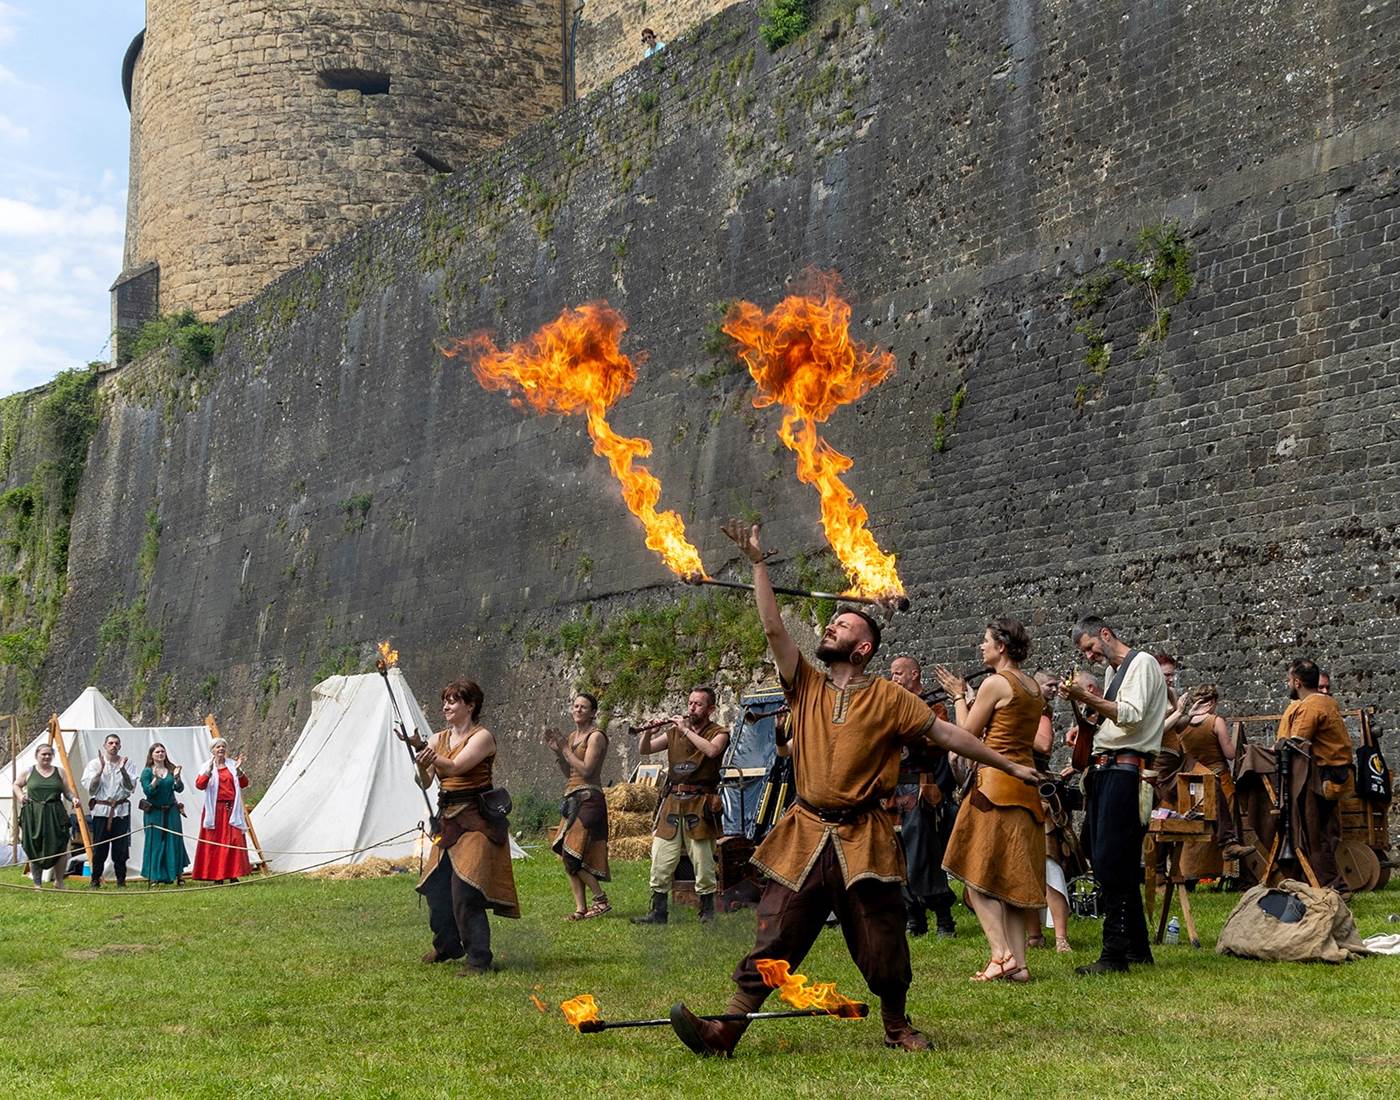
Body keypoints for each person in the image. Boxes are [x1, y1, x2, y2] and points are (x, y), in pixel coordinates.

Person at [670, 520, 1041, 1057]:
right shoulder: (806, 685)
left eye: (841, 625)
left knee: (881, 938)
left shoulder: (892, 698)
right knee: (776, 934)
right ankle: (726, 1029)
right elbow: (775, 631)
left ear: (863, 647)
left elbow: (949, 734)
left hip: (863, 836)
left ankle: (897, 1026)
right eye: (831, 622)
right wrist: (757, 565)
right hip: (804, 832)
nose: (830, 628)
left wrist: (1011, 763)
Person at [936, 619, 1047, 983]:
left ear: (1001, 646)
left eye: (985, 641)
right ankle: (1020, 965)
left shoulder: (995, 683)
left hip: (992, 787)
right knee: (1012, 882)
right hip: (1025, 789)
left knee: (974, 873)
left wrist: (957, 696)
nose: (980, 647)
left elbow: (966, 736)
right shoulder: (1033, 687)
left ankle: (1000, 957)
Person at [1060, 615, 1167, 975]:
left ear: (1105, 634)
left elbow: (1131, 717)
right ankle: (1136, 948)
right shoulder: (1113, 673)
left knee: (1111, 861)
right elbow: (1111, 721)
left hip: (1127, 771)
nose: (1090, 656)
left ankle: (1114, 954)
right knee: (1105, 855)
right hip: (1108, 768)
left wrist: (1082, 696)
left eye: (1091, 647)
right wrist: (1085, 722)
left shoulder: (1143, 663)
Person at [415, 679, 520, 974]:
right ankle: (447, 945)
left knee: (466, 890)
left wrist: (430, 755)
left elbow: (458, 766)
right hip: (448, 821)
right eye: (445, 700)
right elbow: (424, 781)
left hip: (477, 821)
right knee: (435, 888)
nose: (446, 706)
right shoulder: (437, 739)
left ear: (470, 705)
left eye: (453, 701)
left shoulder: (482, 737)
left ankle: (478, 958)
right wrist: (422, 760)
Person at [633, 686, 730, 925]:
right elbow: (644, 749)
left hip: (700, 804)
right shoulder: (674, 733)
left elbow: (711, 750)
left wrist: (686, 731)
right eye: (690, 703)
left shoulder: (719, 732)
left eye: (698, 704)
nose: (692, 708)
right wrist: (649, 732)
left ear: (711, 709)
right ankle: (658, 912)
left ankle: (706, 912)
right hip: (673, 803)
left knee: (703, 861)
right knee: (661, 858)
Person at [887, 655, 957, 939]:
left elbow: (940, 742)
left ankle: (944, 918)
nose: (894, 678)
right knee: (897, 857)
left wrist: (911, 731)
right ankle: (914, 917)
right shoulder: (890, 708)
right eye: (891, 673)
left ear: (914, 675)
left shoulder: (934, 708)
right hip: (892, 792)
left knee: (923, 857)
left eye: (899, 673)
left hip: (920, 788)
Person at [1275, 658, 1353, 889]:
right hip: (1330, 773)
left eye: (1290, 679)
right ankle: (1311, 881)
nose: (1289, 683)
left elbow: (1296, 743)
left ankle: (1333, 885)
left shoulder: (1312, 706)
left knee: (1315, 834)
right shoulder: (1325, 702)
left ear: (1297, 682)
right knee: (1323, 832)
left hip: (1321, 776)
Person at [546, 692, 611, 920]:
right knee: (567, 853)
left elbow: (586, 770)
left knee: (573, 855)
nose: (578, 710)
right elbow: (570, 772)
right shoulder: (573, 736)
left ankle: (600, 900)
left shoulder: (596, 737)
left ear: (593, 712)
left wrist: (564, 749)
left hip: (589, 799)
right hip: (572, 798)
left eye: (584, 707)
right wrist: (559, 752)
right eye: (575, 706)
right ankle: (580, 909)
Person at [1029, 669, 1074, 953]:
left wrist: (1010, 730)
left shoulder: (1040, 716)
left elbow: (1043, 744)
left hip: (1039, 796)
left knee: (1048, 864)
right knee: (1023, 869)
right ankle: (1033, 935)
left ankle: (1060, 937)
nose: (1054, 689)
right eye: (1049, 685)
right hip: (1015, 790)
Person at [192, 737, 252, 883]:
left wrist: (239, 771)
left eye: (223, 747)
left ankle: (233, 874)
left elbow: (244, 783)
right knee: (215, 842)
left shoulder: (232, 765)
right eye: (217, 747)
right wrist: (208, 772)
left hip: (232, 808)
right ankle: (216, 875)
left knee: (234, 840)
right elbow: (199, 785)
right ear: (212, 750)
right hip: (215, 809)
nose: (220, 749)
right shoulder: (207, 766)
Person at [81, 734, 138, 888]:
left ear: (120, 746)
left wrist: (123, 771)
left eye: (116, 743)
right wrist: (100, 771)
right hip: (101, 811)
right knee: (100, 848)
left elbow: (130, 788)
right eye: (110, 743)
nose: (113, 745)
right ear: (105, 745)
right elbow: (91, 788)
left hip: (120, 811)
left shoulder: (128, 763)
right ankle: (95, 880)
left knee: (121, 849)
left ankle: (121, 881)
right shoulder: (94, 764)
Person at [15, 743, 71, 889]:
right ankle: (37, 884)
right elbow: (16, 785)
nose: (46, 756)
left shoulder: (60, 772)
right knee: (34, 847)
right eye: (43, 754)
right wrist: (21, 797)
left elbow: (67, 792)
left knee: (61, 847)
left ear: (52, 756)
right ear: (37, 756)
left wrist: (74, 799)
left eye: (49, 754)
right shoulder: (29, 771)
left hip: (55, 814)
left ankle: (59, 882)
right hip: (34, 814)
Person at [141, 743, 189, 885]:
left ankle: (178, 875)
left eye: (162, 751)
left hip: (172, 811)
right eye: (157, 752)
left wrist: (177, 778)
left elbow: (179, 789)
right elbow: (148, 791)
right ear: (152, 755)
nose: (160, 754)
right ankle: (154, 876)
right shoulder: (147, 772)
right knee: (154, 843)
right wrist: (155, 779)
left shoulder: (171, 769)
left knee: (174, 840)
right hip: (154, 812)